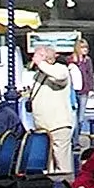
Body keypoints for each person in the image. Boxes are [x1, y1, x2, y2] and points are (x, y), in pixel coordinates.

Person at [27, 45, 75, 178]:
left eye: (38, 55)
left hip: (58, 125)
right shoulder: (39, 74)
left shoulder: (60, 69)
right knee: (49, 167)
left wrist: (41, 63)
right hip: (43, 127)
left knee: (62, 166)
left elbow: (60, 77)